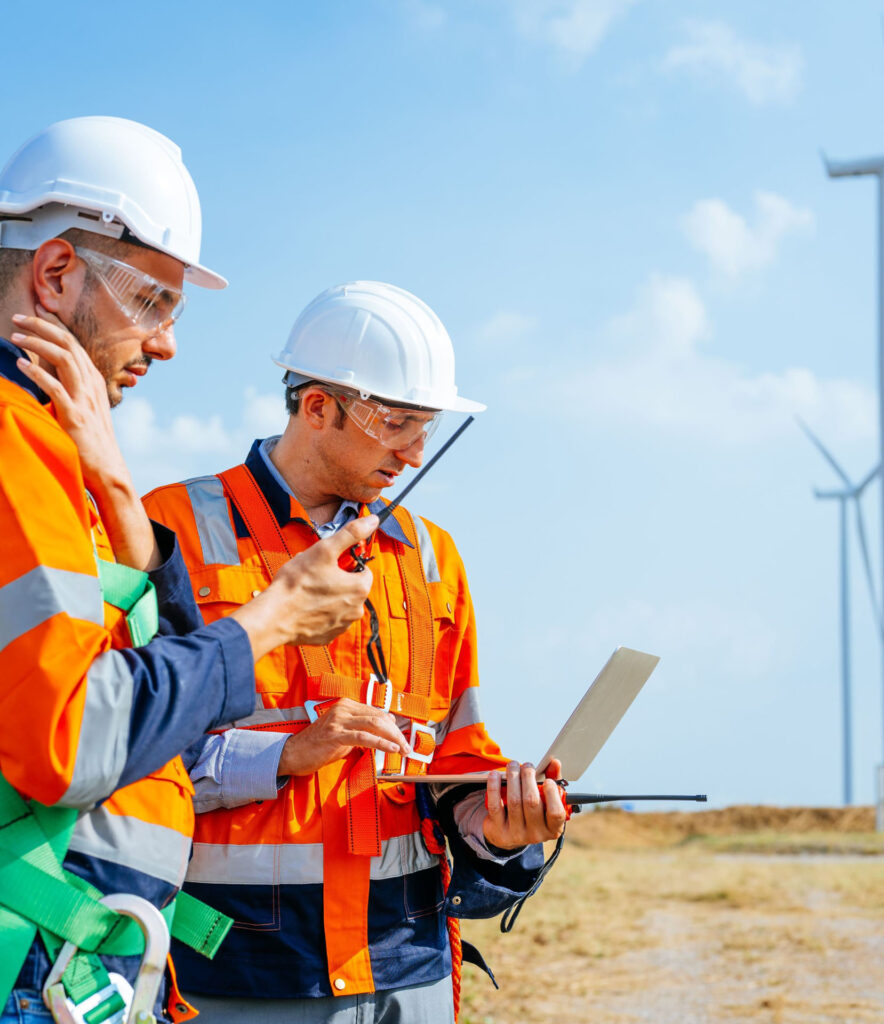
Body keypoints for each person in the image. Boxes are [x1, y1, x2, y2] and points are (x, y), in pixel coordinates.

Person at [0, 118, 376, 1023]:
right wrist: (272, 619)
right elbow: (72, 739)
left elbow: (158, 697)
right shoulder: (12, 444)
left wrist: (122, 498)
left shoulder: (64, 455)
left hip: (77, 962)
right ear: (56, 274)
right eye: (155, 303)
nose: (167, 343)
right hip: (31, 965)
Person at [142, 281, 567, 1023]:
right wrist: (282, 755)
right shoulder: (169, 529)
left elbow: (458, 755)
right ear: (316, 407)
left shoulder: (433, 558)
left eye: (426, 426)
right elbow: (121, 746)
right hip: (232, 973)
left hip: (407, 968)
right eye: (397, 423)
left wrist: (495, 830)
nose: (415, 451)